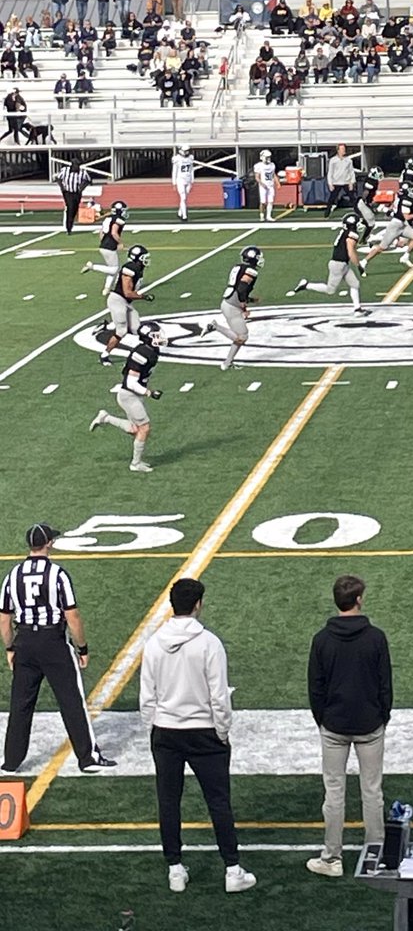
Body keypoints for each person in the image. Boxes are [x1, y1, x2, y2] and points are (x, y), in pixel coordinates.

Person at [139, 577, 256, 894]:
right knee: (218, 801)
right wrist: (222, 731)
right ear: (198, 604)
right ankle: (232, 868)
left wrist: (154, 729)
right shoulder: (209, 643)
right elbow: (219, 696)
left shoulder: (154, 644)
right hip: (204, 732)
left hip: (166, 731)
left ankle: (175, 869)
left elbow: (147, 697)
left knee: (168, 801)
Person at [0, 522, 116, 775]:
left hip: (25, 642)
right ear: (49, 543)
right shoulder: (57, 574)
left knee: (20, 704)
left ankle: (11, 761)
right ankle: (87, 757)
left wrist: (10, 647)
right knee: (71, 701)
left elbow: (4, 619)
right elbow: (72, 615)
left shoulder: (12, 575)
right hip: (53, 642)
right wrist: (82, 648)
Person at [306, 575, 392, 877]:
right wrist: (381, 716)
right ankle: (375, 855)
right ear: (358, 600)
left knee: (333, 792)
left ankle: (331, 858)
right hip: (369, 723)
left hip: (334, 724)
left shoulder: (322, 639)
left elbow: (315, 687)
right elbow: (385, 684)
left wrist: (324, 719)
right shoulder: (376, 637)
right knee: (372, 791)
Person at [91, 320, 165, 472]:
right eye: (155, 335)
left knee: (134, 429)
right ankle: (135, 464)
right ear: (148, 337)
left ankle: (105, 418)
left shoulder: (149, 350)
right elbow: (131, 383)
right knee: (144, 428)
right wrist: (149, 392)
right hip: (129, 395)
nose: (159, 337)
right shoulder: (142, 354)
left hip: (133, 394)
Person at [287, 212, 370, 315]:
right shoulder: (351, 235)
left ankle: (357, 309)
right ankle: (306, 285)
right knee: (330, 290)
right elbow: (351, 252)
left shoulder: (345, 232)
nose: (360, 225)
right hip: (338, 265)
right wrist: (358, 265)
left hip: (342, 264)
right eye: (357, 223)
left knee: (355, 284)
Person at [203, 245, 264, 371]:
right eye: (258, 257)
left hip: (230, 303)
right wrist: (244, 306)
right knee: (242, 337)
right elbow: (242, 288)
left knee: (241, 336)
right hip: (232, 306)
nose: (260, 259)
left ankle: (227, 363)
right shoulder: (251, 271)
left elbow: (238, 289)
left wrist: (250, 300)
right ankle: (215, 327)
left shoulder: (238, 267)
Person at [98, 243, 154, 365]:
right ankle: (104, 355)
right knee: (121, 331)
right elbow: (127, 293)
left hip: (125, 302)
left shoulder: (138, 269)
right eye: (143, 257)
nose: (146, 260)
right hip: (117, 300)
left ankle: (108, 327)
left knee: (136, 329)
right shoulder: (130, 269)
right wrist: (144, 297)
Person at [81, 199, 128, 296]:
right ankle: (92, 266)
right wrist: (120, 243)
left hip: (103, 245)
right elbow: (114, 232)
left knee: (111, 269)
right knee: (114, 269)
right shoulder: (118, 220)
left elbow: (101, 232)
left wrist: (103, 242)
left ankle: (106, 289)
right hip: (110, 246)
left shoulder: (108, 218)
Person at [56, 156, 92, 235]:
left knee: (75, 209)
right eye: (76, 165)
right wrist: (62, 188)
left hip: (77, 193)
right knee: (70, 207)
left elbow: (88, 180)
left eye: (78, 165)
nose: (77, 167)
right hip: (68, 192)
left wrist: (81, 188)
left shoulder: (82, 172)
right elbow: (58, 178)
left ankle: (70, 223)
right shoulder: (65, 170)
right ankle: (68, 227)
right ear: (72, 165)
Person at [325, 144, 356, 217]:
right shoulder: (333, 160)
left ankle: (358, 212)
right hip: (336, 182)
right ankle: (327, 213)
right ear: (338, 150)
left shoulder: (348, 160)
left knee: (352, 198)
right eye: (342, 149)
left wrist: (352, 182)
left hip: (346, 182)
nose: (343, 150)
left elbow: (351, 171)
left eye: (344, 149)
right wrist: (330, 183)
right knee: (332, 198)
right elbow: (330, 172)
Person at [253, 149, 279, 222]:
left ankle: (268, 216)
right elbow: (257, 177)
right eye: (267, 157)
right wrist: (262, 184)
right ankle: (262, 215)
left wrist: (278, 183)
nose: (268, 159)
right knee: (263, 202)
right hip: (263, 186)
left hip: (271, 185)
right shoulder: (259, 166)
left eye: (269, 157)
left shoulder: (272, 165)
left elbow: (273, 174)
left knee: (270, 201)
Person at [171, 145, 195, 221]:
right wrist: (174, 183)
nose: (187, 152)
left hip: (188, 180)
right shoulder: (177, 159)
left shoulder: (190, 158)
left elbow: (191, 170)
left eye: (188, 151)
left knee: (184, 198)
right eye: (185, 151)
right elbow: (174, 171)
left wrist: (192, 181)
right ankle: (184, 216)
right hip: (180, 180)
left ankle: (179, 213)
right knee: (183, 198)